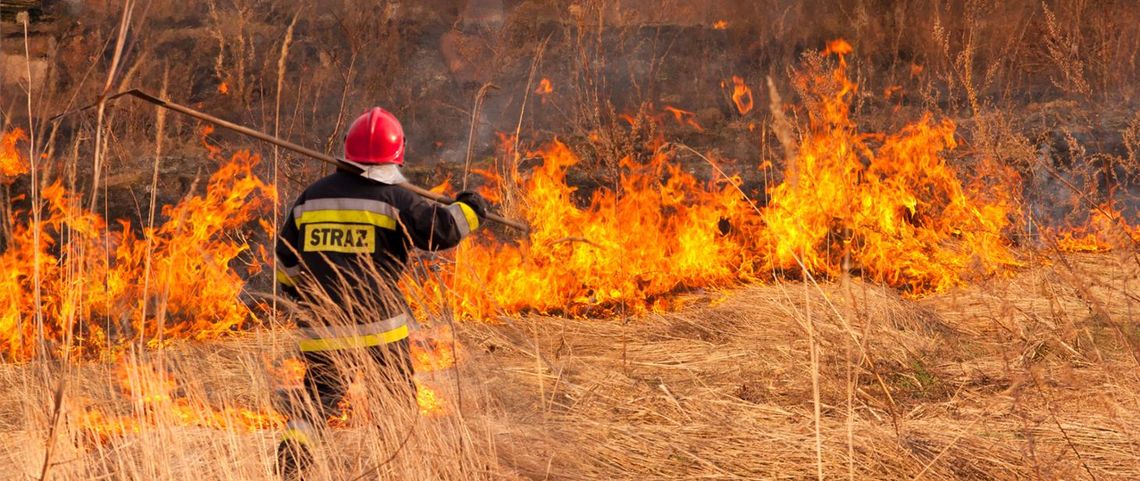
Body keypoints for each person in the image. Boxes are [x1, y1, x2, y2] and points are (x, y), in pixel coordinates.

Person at [273, 107, 489, 478]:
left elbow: (284, 259)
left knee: (317, 398)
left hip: (322, 328)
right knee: (395, 402)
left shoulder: (311, 198)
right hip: (379, 330)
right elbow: (445, 231)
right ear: (397, 153)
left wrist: (301, 298)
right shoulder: (395, 199)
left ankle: (295, 451)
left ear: (348, 151)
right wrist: (470, 207)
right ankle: (396, 467)